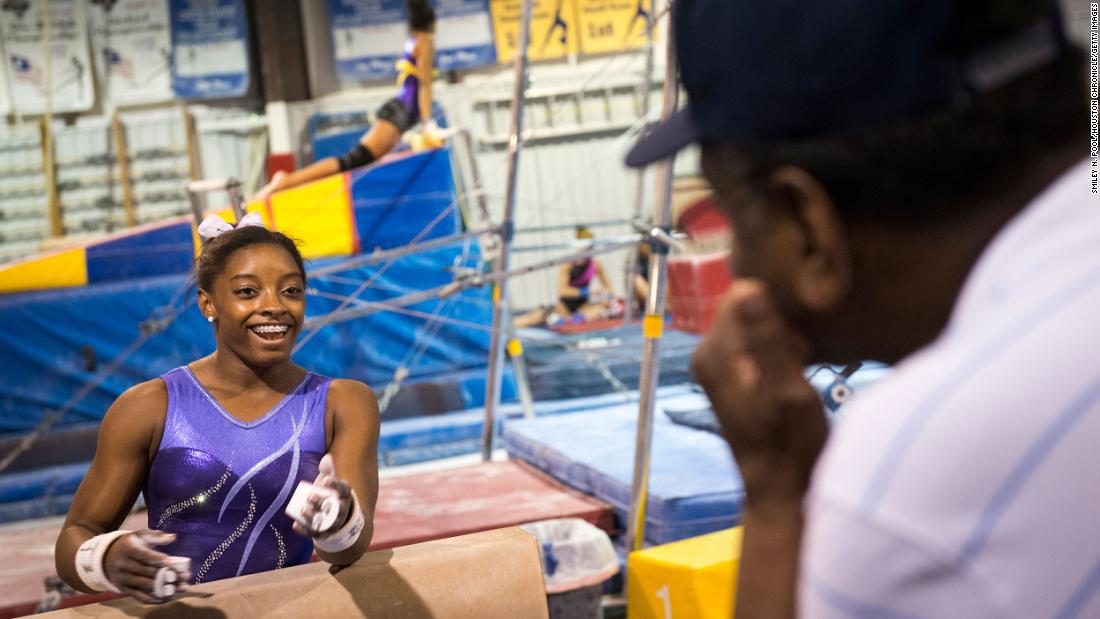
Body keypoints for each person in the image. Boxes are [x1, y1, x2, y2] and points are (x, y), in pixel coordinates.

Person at [628, 0, 1090, 617]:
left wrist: (776, 497)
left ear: (808, 225)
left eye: (735, 218)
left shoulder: (915, 473)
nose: (739, 266)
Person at [55, 215, 380, 603]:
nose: (274, 306)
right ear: (208, 303)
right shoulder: (148, 408)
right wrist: (106, 559)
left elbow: (346, 551)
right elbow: (76, 535)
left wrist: (337, 523)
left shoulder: (343, 403)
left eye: (291, 290)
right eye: (248, 292)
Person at [254, 0, 438, 201]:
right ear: (432, 23)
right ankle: (286, 181)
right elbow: (425, 83)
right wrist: (427, 122)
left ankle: (289, 182)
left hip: (403, 110)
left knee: (358, 162)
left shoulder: (414, 39)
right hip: (401, 111)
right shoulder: (426, 41)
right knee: (353, 160)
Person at [556, 227, 614, 323]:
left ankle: (577, 319)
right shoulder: (567, 264)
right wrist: (586, 292)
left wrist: (608, 297)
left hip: (583, 306)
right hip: (565, 306)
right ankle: (570, 319)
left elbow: (608, 285)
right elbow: (562, 291)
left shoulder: (595, 264)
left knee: (602, 310)